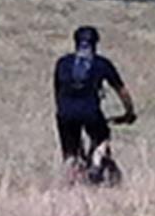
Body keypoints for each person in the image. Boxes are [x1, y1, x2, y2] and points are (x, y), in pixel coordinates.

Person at [53, 25, 136, 182]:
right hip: (90, 111)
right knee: (102, 138)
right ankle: (96, 165)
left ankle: (73, 178)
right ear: (95, 43)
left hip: (65, 112)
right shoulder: (102, 64)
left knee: (71, 151)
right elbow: (122, 91)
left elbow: (57, 90)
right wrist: (129, 112)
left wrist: (62, 110)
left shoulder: (62, 63)